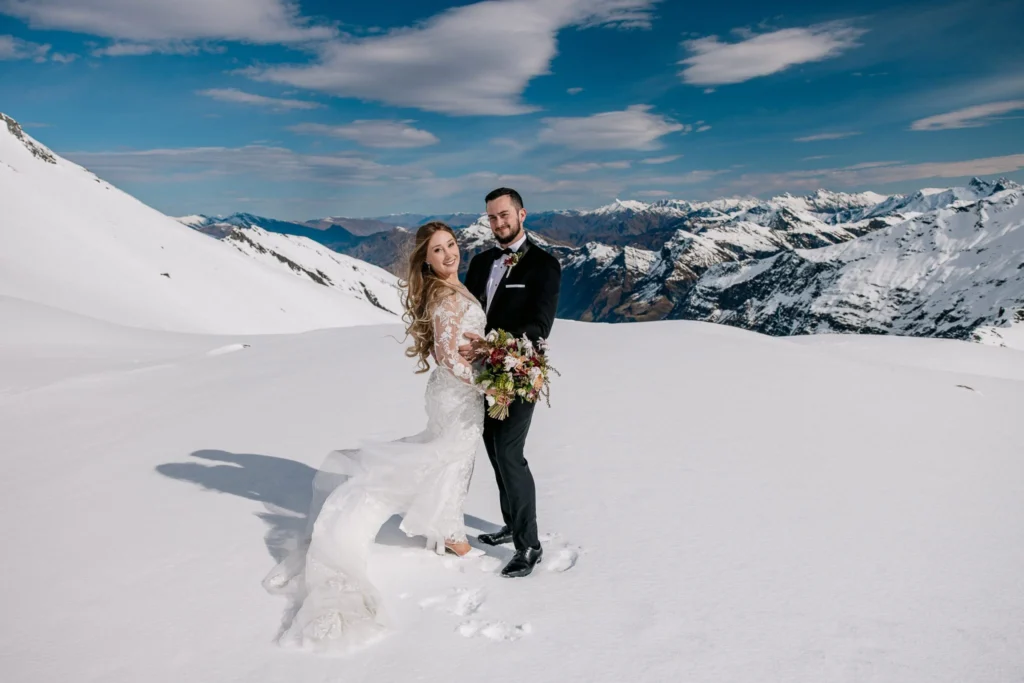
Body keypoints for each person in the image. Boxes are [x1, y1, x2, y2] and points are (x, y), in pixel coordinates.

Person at [261, 221, 491, 653]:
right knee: (452, 454)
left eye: (451, 245)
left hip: (458, 392)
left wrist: (484, 357)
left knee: (451, 455)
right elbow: (445, 355)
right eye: (437, 251)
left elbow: (463, 344)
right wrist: (486, 384)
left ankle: (445, 529)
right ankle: (451, 535)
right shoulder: (443, 297)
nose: (448, 255)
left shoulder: (455, 288)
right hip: (457, 393)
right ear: (426, 259)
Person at [460, 187, 562, 579]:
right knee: (491, 446)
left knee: (509, 452)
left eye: (504, 215)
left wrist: (494, 343)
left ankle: (530, 545)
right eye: (491, 217)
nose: (498, 223)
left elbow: (540, 325)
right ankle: (510, 524)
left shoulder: (544, 265)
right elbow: (470, 310)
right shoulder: (483, 261)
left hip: (520, 373)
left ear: (522, 214)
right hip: (482, 374)